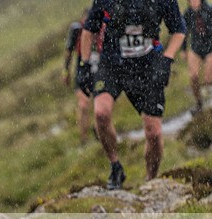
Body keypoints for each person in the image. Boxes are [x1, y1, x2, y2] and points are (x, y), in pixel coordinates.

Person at [79, 0, 186, 189]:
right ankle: (115, 166)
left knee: (154, 133)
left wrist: (167, 59)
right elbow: (88, 30)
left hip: (147, 67)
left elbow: (179, 30)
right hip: (112, 64)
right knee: (101, 113)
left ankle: (150, 180)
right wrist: (84, 66)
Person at [63, 9, 101, 144]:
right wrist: (65, 71)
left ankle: (98, 133)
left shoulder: (102, 29)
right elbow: (68, 52)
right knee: (84, 105)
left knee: (99, 105)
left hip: (98, 71)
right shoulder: (76, 30)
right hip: (82, 72)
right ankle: (83, 139)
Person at [181, 0, 212, 114]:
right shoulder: (188, 13)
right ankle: (199, 104)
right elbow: (183, 31)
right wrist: (183, 49)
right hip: (196, 47)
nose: (193, 2)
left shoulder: (209, 10)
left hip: (210, 47)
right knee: (193, 77)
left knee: (209, 79)